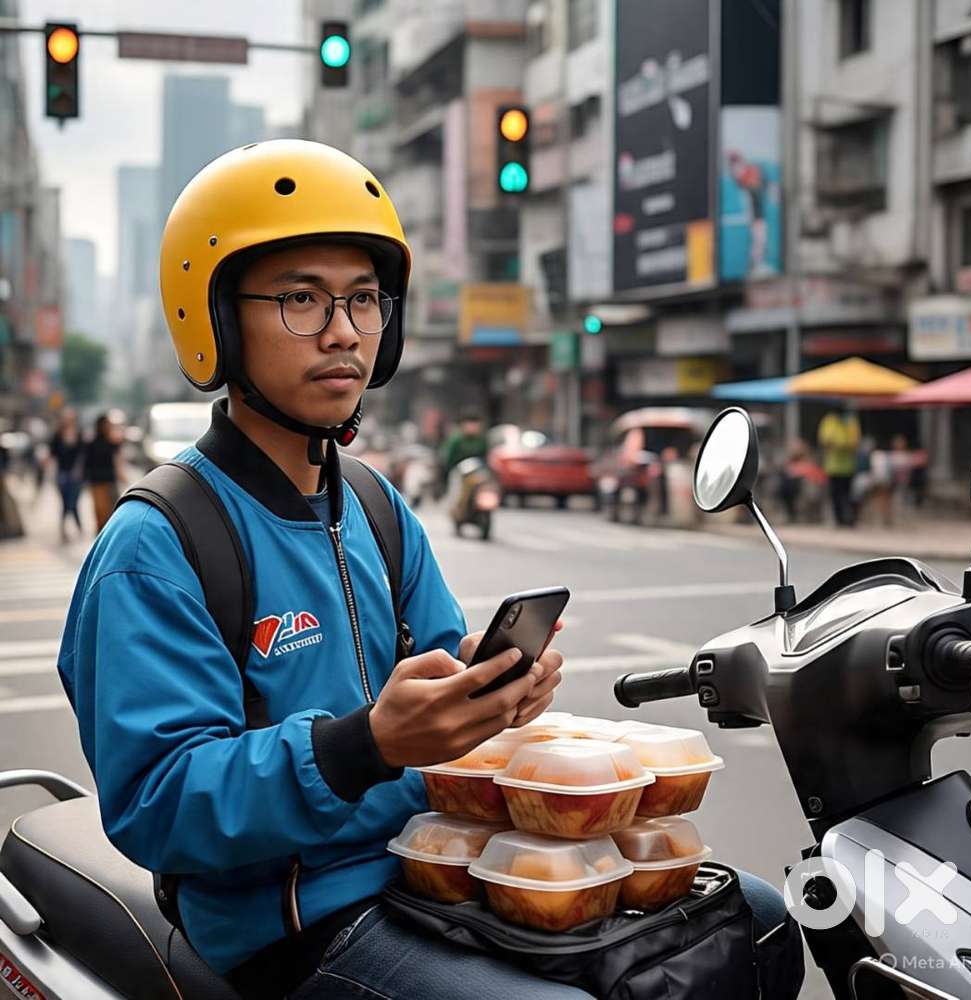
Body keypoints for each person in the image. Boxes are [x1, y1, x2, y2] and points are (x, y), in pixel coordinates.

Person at [56, 141, 785, 1000]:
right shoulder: (162, 541)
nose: (343, 331)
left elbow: (442, 680)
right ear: (215, 319)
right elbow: (158, 802)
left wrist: (489, 694)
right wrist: (362, 747)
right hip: (293, 926)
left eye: (363, 300)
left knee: (759, 924)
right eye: (300, 299)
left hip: (436, 869)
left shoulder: (371, 503)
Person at [817, 404, 861, 527]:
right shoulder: (829, 421)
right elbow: (825, 440)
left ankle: (850, 519)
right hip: (833, 467)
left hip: (848, 466)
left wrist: (840, 445)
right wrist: (841, 445)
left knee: (848, 494)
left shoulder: (851, 422)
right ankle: (839, 520)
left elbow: (854, 442)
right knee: (836, 494)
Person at [83, 413, 125, 534]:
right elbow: (87, 462)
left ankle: (110, 532)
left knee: (113, 508)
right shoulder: (92, 443)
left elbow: (118, 458)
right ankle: (101, 533)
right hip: (96, 480)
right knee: (100, 511)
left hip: (110, 479)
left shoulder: (112, 442)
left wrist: (121, 474)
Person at [49, 407, 85, 542]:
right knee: (65, 501)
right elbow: (52, 454)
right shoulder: (58, 435)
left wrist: (79, 470)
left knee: (74, 501)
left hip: (75, 474)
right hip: (62, 473)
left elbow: (83, 455)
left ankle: (78, 527)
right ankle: (64, 529)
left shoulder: (79, 434)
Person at [440, 409, 488, 482]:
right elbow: (447, 459)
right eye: (470, 423)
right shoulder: (456, 440)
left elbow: (485, 457)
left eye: (475, 423)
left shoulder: (482, 440)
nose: (473, 427)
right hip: (457, 471)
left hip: (478, 471)